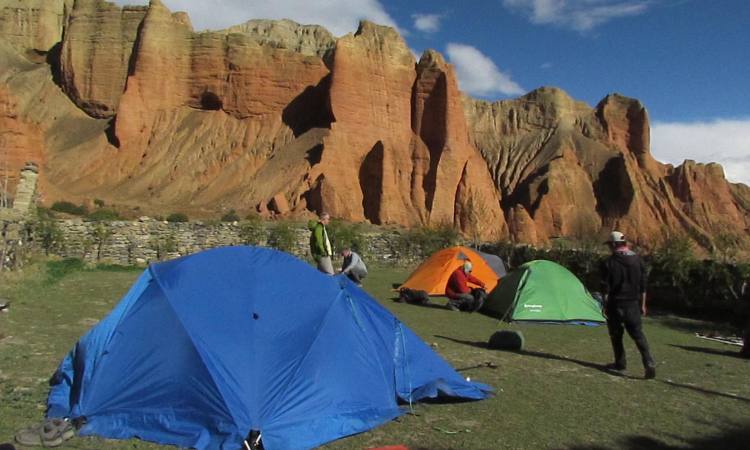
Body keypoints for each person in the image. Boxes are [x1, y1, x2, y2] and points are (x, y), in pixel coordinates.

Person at [600, 231, 656, 379]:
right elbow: (643, 286)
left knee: (616, 335)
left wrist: (604, 305)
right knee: (638, 335)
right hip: (633, 304)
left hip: (615, 304)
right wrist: (643, 305)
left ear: (613, 245)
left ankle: (620, 362)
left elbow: (606, 288)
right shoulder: (638, 260)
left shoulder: (609, 263)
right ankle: (649, 362)